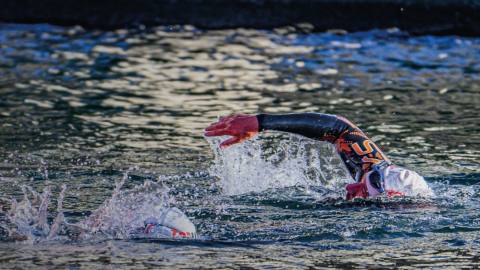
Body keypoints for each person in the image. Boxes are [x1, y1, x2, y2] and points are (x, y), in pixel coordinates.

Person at [204, 113, 432, 200]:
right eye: (361, 182)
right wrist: (261, 122)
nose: (350, 188)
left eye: (363, 191)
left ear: (391, 199)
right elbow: (340, 128)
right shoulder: (376, 174)